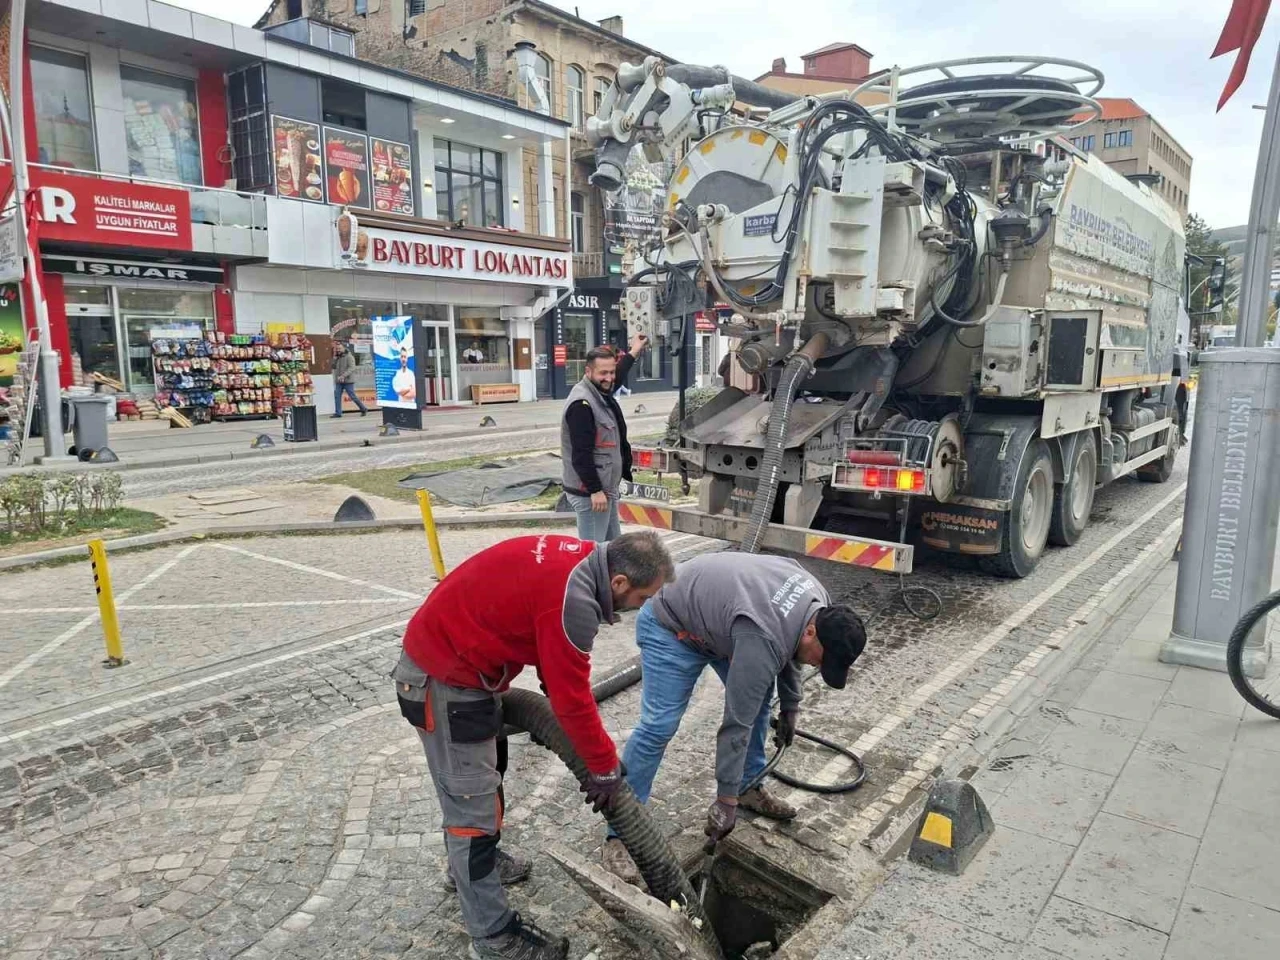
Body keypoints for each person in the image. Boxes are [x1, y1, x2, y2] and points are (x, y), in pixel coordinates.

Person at [390, 531, 675, 960]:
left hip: (464, 670)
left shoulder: (582, 562)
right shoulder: (574, 601)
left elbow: (554, 668)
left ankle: (470, 867)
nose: (642, 607)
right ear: (618, 582)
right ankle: (493, 937)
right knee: (473, 813)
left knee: (489, 775)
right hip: (442, 681)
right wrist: (603, 769)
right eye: (642, 597)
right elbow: (570, 697)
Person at [600, 553, 867, 883]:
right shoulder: (764, 635)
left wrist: (790, 706)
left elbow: (791, 652)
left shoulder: (819, 604)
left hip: (722, 625)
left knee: (759, 701)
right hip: (672, 626)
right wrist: (724, 802)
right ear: (812, 631)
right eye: (821, 661)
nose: (816, 666)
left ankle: (749, 787)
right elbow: (735, 723)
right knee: (659, 726)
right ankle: (620, 834)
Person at [561, 335, 648, 543]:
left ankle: (609, 576)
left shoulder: (600, 389)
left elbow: (618, 376)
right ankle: (589, 577)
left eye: (612, 372)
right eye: (603, 373)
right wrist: (595, 490)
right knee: (593, 555)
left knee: (612, 549)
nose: (609, 378)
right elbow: (580, 455)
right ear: (588, 371)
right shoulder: (581, 405)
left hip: (605, 491)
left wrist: (634, 350)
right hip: (591, 496)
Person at [330, 341, 368, 418]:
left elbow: (351, 368)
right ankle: (338, 413)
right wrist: (334, 358)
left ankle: (363, 408)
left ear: (344, 348)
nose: (338, 350)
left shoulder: (349, 357)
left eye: (339, 348)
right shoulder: (338, 357)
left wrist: (343, 376)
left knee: (352, 396)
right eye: (337, 349)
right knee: (337, 395)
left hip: (348, 381)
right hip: (339, 381)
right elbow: (333, 367)